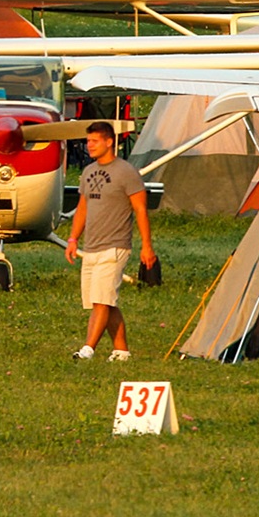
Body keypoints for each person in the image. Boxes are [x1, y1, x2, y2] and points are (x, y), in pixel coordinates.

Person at [65, 121, 156, 361]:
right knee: (105, 301)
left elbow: (140, 210)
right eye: (88, 141)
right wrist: (73, 239)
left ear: (109, 142)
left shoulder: (126, 172)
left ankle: (88, 349)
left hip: (115, 246)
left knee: (100, 301)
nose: (89, 146)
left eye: (94, 141)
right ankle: (121, 350)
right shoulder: (87, 172)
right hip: (91, 247)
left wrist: (147, 246)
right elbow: (82, 208)